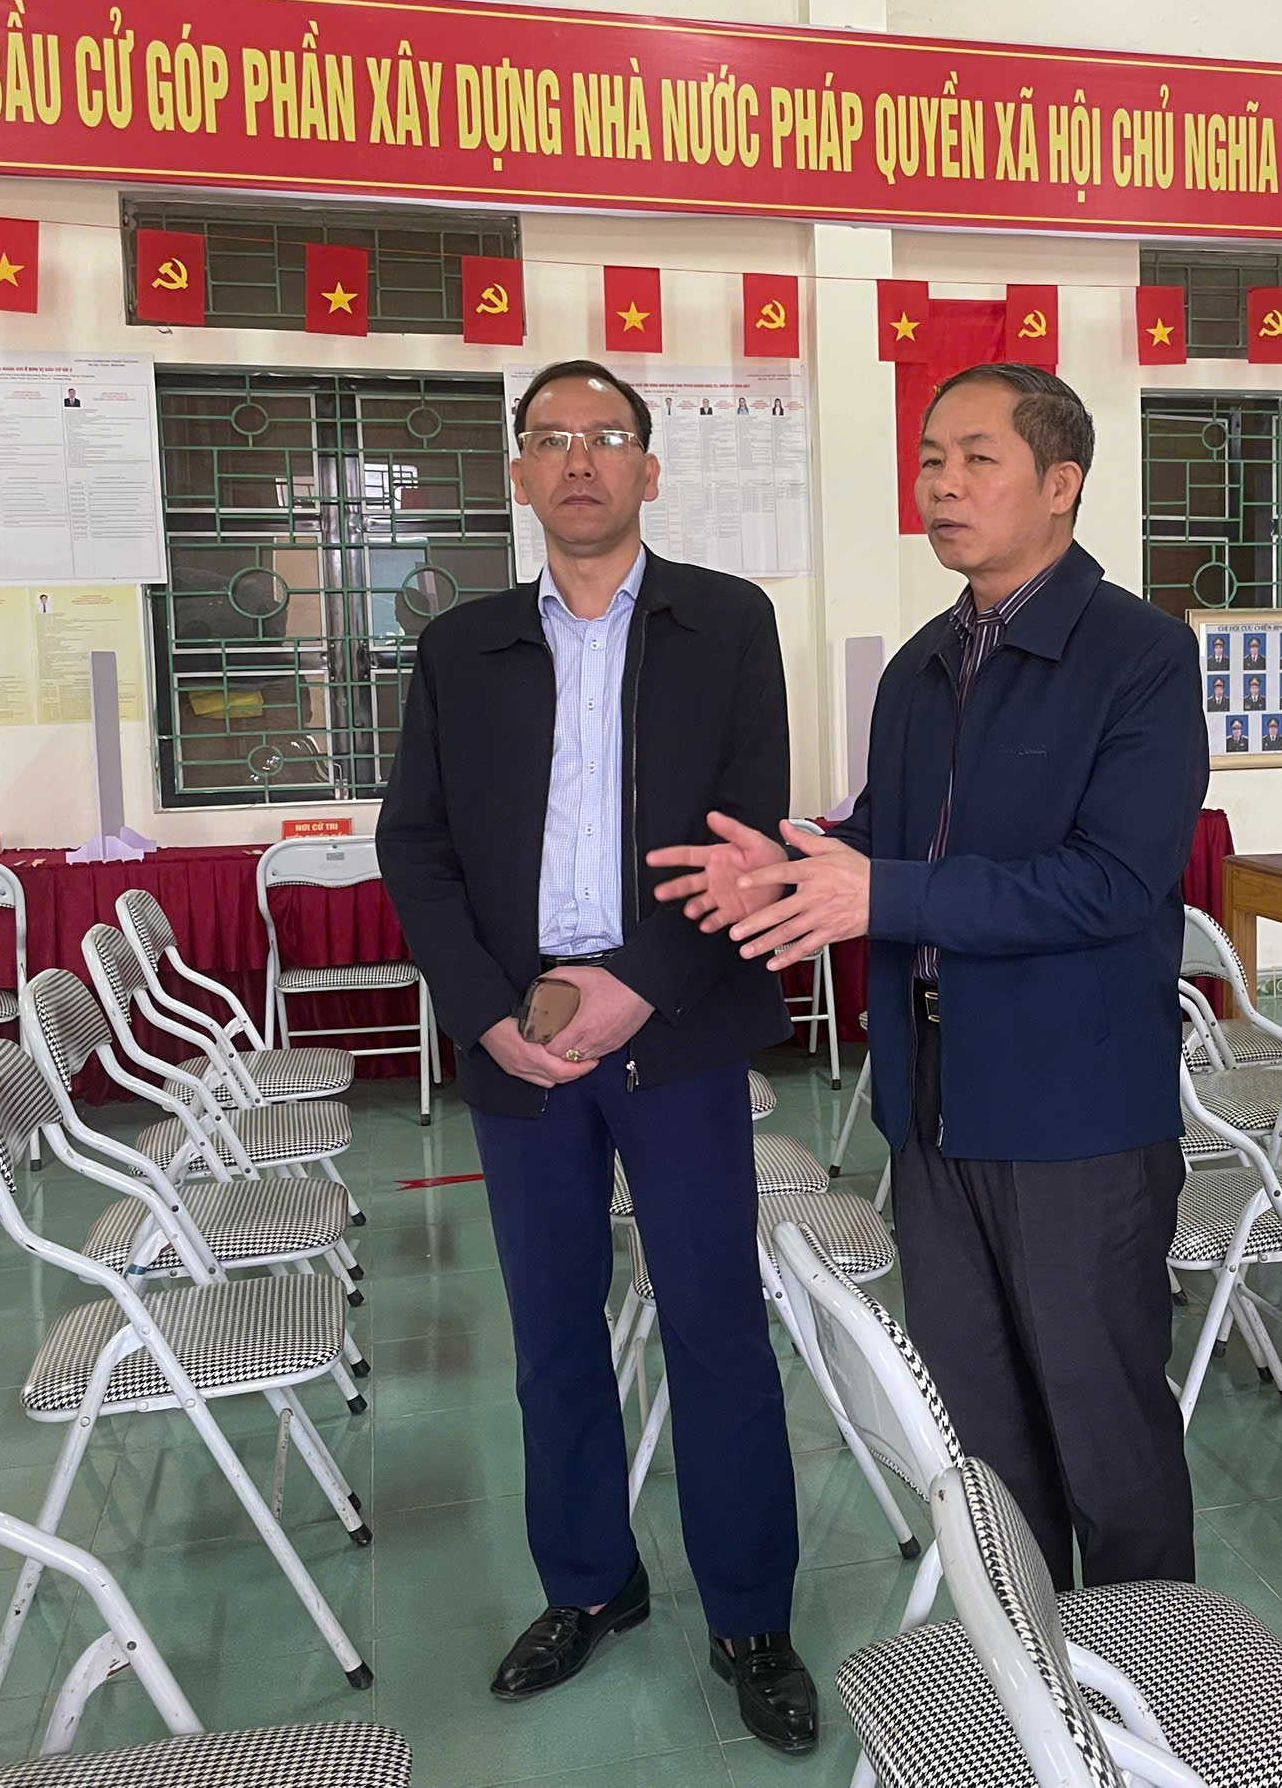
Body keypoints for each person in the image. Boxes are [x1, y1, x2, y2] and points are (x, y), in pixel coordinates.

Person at [651, 362, 1207, 1593]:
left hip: (1072, 1118)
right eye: (930, 461)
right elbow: (890, 840)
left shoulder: (1140, 657)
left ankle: (1150, 1675)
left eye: (977, 460)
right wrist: (796, 865)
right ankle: (1034, 1673)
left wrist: (884, 895)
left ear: (1061, 484)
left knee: (1105, 1434)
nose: (943, 486)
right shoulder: (920, 665)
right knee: (983, 1436)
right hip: (933, 1106)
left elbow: (1115, 882)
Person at [375, 358, 818, 1754]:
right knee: (553, 1334)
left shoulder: (725, 623)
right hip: (520, 1039)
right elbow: (416, 847)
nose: (579, 459)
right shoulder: (460, 648)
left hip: (674, 1033)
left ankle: (751, 1615)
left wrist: (639, 987)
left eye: (607, 436)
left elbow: (750, 835)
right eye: (551, 438)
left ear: (648, 469)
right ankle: (588, 1583)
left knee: (715, 1329)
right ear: (518, 473)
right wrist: (488, 1014)